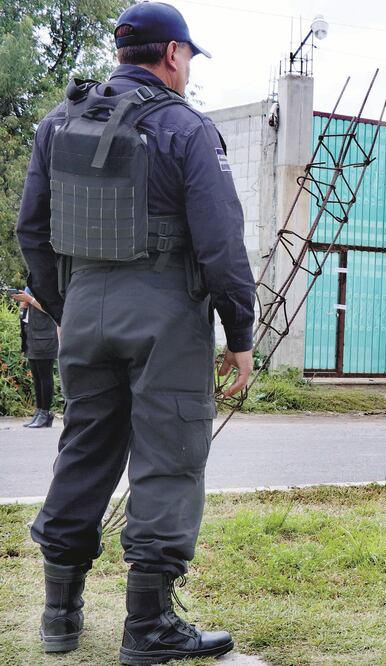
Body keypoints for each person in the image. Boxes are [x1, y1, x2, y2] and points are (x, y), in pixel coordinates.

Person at [15, 2, 255, 663]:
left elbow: (31, 230)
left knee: (85, 453)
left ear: (124, 53)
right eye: (188, 59)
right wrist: (239, 331)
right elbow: (220, 245)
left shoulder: (58, 123)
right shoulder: (186, 128)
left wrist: (68, 307)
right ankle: (148, 630)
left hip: (85, 311)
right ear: (173, 55)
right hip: (166, 317)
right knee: (168, 462)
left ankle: (59, 619)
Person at [11, 286, 59, 428]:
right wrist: (23, 303)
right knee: (37, 377)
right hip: (31, 337)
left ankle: (45, 413)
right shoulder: (30, 286)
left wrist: (30, 300)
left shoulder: (48, 284)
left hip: (45, 337)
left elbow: (53, 310)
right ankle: (39, 412)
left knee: (45, 376)